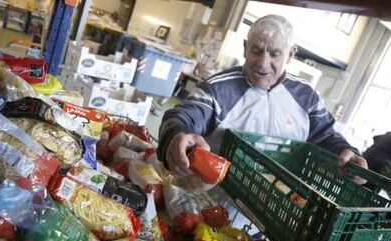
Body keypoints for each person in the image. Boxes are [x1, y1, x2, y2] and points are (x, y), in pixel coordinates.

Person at [157, 14, 367, 179]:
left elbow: (325, 135)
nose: (263, 63)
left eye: (275, 54)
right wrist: (178, 134)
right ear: (245, 48)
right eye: (256, 51)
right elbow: (185, 115)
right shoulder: (218, 88)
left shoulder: (306, 96)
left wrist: (347, 152)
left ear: (291, 54)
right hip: (210, 205)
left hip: (274, 214)